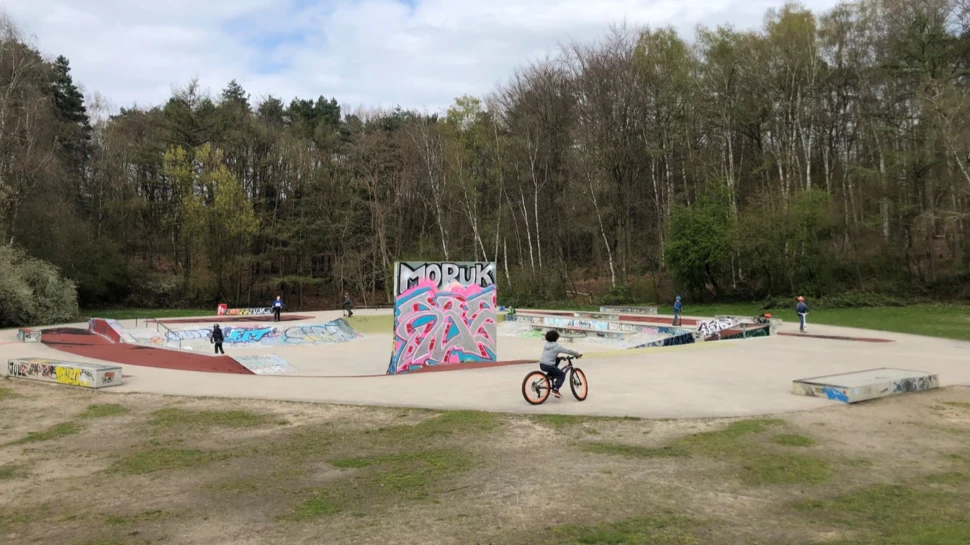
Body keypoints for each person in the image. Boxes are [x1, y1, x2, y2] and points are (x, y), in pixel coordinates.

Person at [539, 330, 582, 398]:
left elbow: (550, 354)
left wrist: (559, 358)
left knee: (557, 359)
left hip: (542, 364)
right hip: (549, 365)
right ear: (556, 338)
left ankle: (550, 376)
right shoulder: (557, 346)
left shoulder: (546, 344)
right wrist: (577, 354)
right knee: (562, 374)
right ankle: (555, 390)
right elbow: (568, 351)